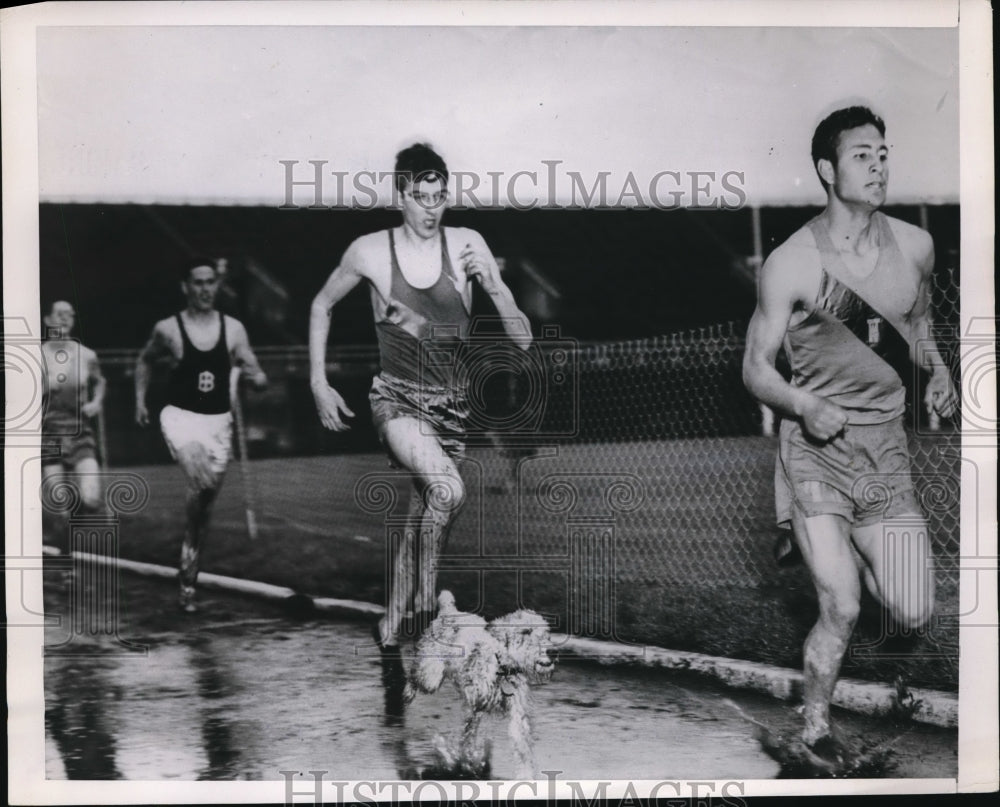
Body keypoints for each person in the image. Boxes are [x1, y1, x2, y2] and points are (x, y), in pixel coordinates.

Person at [742, 106, 958, 769]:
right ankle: (812, 727)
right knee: (840, 602)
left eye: (884, 152)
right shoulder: (792, 263)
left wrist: (940, 369)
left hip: (885, 454)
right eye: (862, 154)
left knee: (914, 608)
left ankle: (846, 551)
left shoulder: (913, 246)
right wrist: (802, 403)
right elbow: (754, 368)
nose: (879, 164)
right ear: (827, 171)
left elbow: (915, 329)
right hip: (817, 454)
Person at [309, 143, 532, 652]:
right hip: (397, 400)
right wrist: (318, 382)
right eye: (419, 196)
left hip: (454, 409)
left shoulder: (468, 244)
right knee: (448, 492)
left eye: (439, 196)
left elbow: (523, 340)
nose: (430, 208)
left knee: (423, 517)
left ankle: (390, 627)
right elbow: (321, 305)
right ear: (400, 195)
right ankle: (430, 612)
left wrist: (495, 288)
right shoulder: (369, 250)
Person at [135, 258, 267, 613]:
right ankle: (188, 578)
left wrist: (257, 379)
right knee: (195, 461)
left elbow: (253, 367)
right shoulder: (169, 329)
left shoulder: (234, 329)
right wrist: (140, 401)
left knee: (201, 508)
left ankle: (187, 580)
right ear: (186, 287)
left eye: (211, 282)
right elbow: (145, 360)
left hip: (218, 424)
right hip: (180, 418)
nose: (206, 289)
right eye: (198, 282)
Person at [41, 300, 106, 555]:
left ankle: (68, 525)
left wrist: (97, 402)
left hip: (80, 433)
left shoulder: (87, 355)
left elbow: (100, 382)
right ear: (48, 320)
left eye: (70, 314)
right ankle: (62, 534)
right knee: (59, 505)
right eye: (59, 314)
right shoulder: (38, 356)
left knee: (90, 499)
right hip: (50, 435)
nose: (65, 318)